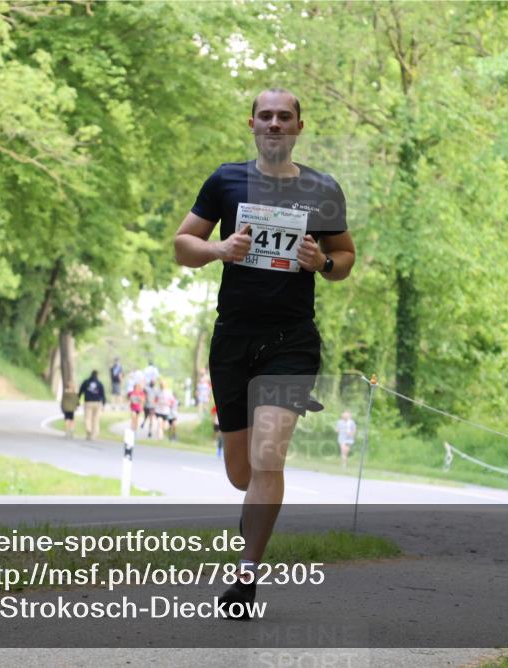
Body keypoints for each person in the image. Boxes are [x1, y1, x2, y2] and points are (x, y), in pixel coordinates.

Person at [174, 87, 355, 618]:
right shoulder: (226, 180)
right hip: (233, 337)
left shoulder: (323, 188)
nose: (275, 124)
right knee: (241, 471)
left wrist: (321, 261)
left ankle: (246, 576)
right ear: (252, 123)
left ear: (299, 126)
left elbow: (344, 257)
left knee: (268, 454)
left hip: (291, 341)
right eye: (266, 116)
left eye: (285, 117)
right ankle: (254, 511)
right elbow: (183, 245)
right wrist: (219, 249)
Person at [79, 370, 106, 440]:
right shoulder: (99, 384)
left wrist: (77, 400)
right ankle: (94, 434)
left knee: (87, 418)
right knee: (96, 419)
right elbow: (103, 395)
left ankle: (89, 431)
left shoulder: (86, 382)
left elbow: (81, 391)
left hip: (88, 402)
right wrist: (103, 404)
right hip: (97, 403)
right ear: (97, 375)